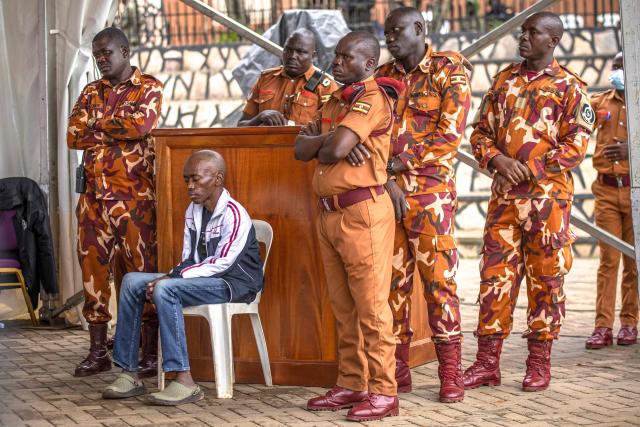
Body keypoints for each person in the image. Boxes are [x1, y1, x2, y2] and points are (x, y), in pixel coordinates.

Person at [466, 12, 594, 392]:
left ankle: (539, 363)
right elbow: (480, 132)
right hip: (504, 198)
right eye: (523, 32)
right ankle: (487, 363)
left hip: (548, 203)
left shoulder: (571, 87)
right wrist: (498, 160)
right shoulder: (504, 80)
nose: (523, 38)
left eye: (532, 32)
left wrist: (532, 168)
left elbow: (577, 145)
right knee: (495, 280)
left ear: (552, 41)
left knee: (547, 280)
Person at [102, 150, 264, 405]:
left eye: (196, 179)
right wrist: (171, 275)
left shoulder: (235, 213)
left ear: (218, 179)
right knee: (133, 281)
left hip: (234, 284)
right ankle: (129, 373)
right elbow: (189, 259)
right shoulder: (194, 210)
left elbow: (223, 263)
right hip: (205, 279)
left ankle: (185, 379)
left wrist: (168, 280)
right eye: (187, 179)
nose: (189, 186)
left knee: (166, 290)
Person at [294, 31, 399, 422]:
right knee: (343, 308)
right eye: (336, 56)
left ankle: (385, 391)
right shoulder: (335, 100)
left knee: (371, 309)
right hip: (329, 214)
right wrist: (331, 137)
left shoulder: (372, 97)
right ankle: (353, 383)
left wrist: (332, 142)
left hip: (362, 213)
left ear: (369, 64)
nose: (336, 63)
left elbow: (335, 150)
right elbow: (300, 149)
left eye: (345, 57)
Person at [375, 6, 472, 402]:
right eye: (386, 33)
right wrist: (385, 175)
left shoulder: (449, 70)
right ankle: (397, 371)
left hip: (429, 195)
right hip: (385, 194)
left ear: (419, 28)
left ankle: (450, 373)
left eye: (396, 31)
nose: (390, 39)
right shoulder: (383, 77)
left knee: (439, 283)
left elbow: (449, 134)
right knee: (392, 285)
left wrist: (397, 164)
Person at [66, 27, 163, 378]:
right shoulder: (91, 90)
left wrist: (97, 123)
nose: (101, 59)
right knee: (93, 275)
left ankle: (148, 353)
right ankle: (97, 351)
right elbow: (73, 135)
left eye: (107, 53)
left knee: (143, 275)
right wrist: (114, 125)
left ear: (125, 50)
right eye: (97, 55)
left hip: (135, 200)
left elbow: (141, 125)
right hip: (93, 202)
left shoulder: (148, 87)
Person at [585, 52, 638, 349]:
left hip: (635, 192)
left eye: (623, 66)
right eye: (615, 66)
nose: (617, 71)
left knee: (633, 261)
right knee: (608, 261)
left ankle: (629, 323)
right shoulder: (599, 102)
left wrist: (632, 150)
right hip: (605, 190)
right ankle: (602, 326)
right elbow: (578, 125)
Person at [238, 29, 338, 127]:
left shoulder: (325, 87)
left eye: (300, 52)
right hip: (265, 143)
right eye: (288, 50)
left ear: (313, 56)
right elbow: (241, 125)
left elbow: (331, 131)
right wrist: (259, 117)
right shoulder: (266, 79)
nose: (292, 56)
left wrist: (290, 125)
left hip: (300, 143)